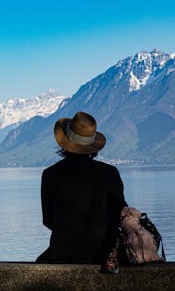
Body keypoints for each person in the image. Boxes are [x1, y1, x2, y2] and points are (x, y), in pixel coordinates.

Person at [36, 111, 127, 264]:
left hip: (62, 253)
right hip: (104, 253)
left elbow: (49, 220)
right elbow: (120, 214)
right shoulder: (109, 173)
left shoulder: (50, 174)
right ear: (93, 144)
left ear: (65, 141)